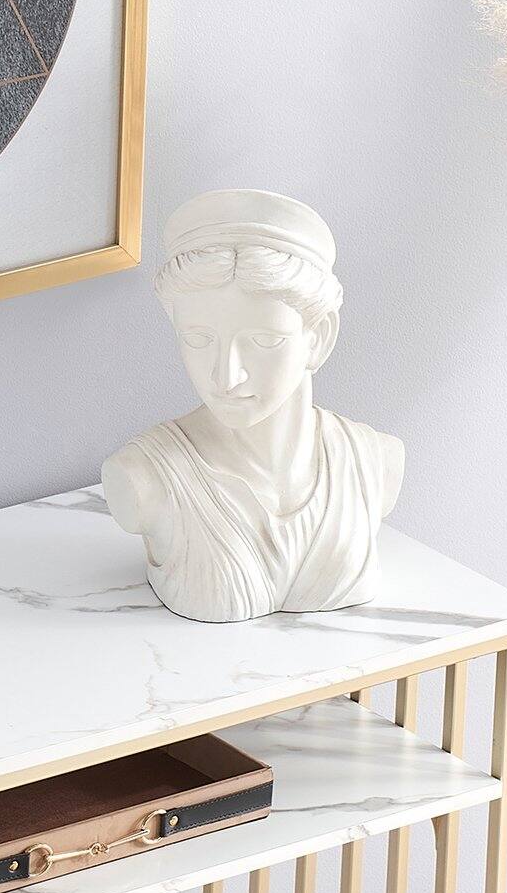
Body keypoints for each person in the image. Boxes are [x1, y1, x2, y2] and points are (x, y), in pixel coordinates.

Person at [103, 189, 404, 623]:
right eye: (198, 339)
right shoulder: (143, 477)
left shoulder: (375, 460)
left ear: (318, 338)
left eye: (264, 341)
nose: (226, 376)